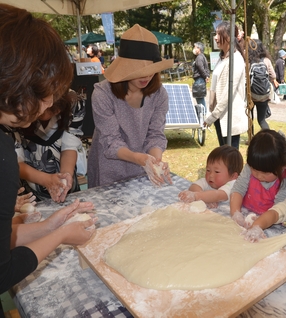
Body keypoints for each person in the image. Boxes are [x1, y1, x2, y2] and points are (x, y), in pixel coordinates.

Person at [0, 3, 96, 299]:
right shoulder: (3, 153)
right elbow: (3, 272)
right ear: (18, 82)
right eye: (43, 93)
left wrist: (48, 224)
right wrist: (60, 235)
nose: (47, 104)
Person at [87, 24, 174, 188]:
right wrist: (141, 159)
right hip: (108, 170)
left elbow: (155, 134)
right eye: (139, 70)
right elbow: (111, 142)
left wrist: (155, 161)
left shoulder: (159, 95)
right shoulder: (102, 94)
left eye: (151, 69)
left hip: (143, 171)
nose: (147, 75)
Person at [16, 90, 82, 203]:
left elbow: (70, 146)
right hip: (30, 187)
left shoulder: (73, 101)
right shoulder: (15, 108)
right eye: (41, 111)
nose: (48, 110)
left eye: (54, 109)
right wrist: (47, 180)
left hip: (66, 187)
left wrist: (65, 176)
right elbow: (15, 162)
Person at [230, 130, 286, 226]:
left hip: (270, 223)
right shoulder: (249, 167)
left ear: (282, 167)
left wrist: (260, 222)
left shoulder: (285, 180)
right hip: (244, 213)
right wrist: (236, 213)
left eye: (265, 173)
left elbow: (279, 209)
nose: (259, 176)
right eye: (254, 170)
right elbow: (238, 189)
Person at [204, 22, 248, 149]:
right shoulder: (223, 57)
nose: (216, 37)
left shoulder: (236, 60)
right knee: (224, 156)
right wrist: (212, 112)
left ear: (229, 37)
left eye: (219, 34)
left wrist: (212, 116)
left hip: (230, 117)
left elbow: (227, 94)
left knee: (230, 159)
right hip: (219, 115)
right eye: (216, 34)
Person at [178, 145, 243, 208]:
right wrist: (204, 198)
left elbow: (218, 195)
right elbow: (194, 186)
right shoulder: (209, 181)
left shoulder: (233, 186)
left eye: (217, 172)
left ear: (233, 176)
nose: (211, 175)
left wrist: (197, 196)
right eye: (208, 170)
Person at [247, 39, 276, 130]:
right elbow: (273, 75)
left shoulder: (248, 61)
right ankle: (268, 138)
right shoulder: (266, 60)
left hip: (251, 95)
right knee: (262, 120)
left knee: (249, 118)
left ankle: (251, 139)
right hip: (264, 95)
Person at [192, 42, 210, 108]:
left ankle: (203, 114)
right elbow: (206, 68)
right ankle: (203, 113)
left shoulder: (199, 58)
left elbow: (201, 68)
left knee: (200, 99)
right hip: (202, 80)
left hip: (199, 80)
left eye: (195, 47)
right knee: (201, 98)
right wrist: (207, 76)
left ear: (199, 49)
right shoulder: (203, 56)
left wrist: (206, 76)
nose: (193, 49)